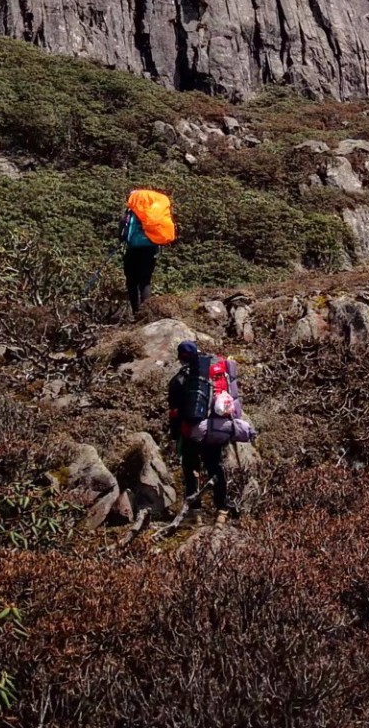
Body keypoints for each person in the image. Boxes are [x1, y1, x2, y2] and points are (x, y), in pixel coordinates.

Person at [167, 340, 234, 517]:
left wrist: (175, 435)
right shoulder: (217, 374)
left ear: (181, 358)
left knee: (191, 470)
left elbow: (174, 413)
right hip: (214, 429)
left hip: (190, 432)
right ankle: (221, 509)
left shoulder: (179, 380)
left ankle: (194, 512)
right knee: (215, 467)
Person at [119, 187, 173, 315]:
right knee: (145, 281)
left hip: (133, 248)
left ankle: (136, 312)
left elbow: (123, 231)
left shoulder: (132, 211)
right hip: (150, 248)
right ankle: (145, 314)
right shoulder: (153, 210)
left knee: (131, 281)